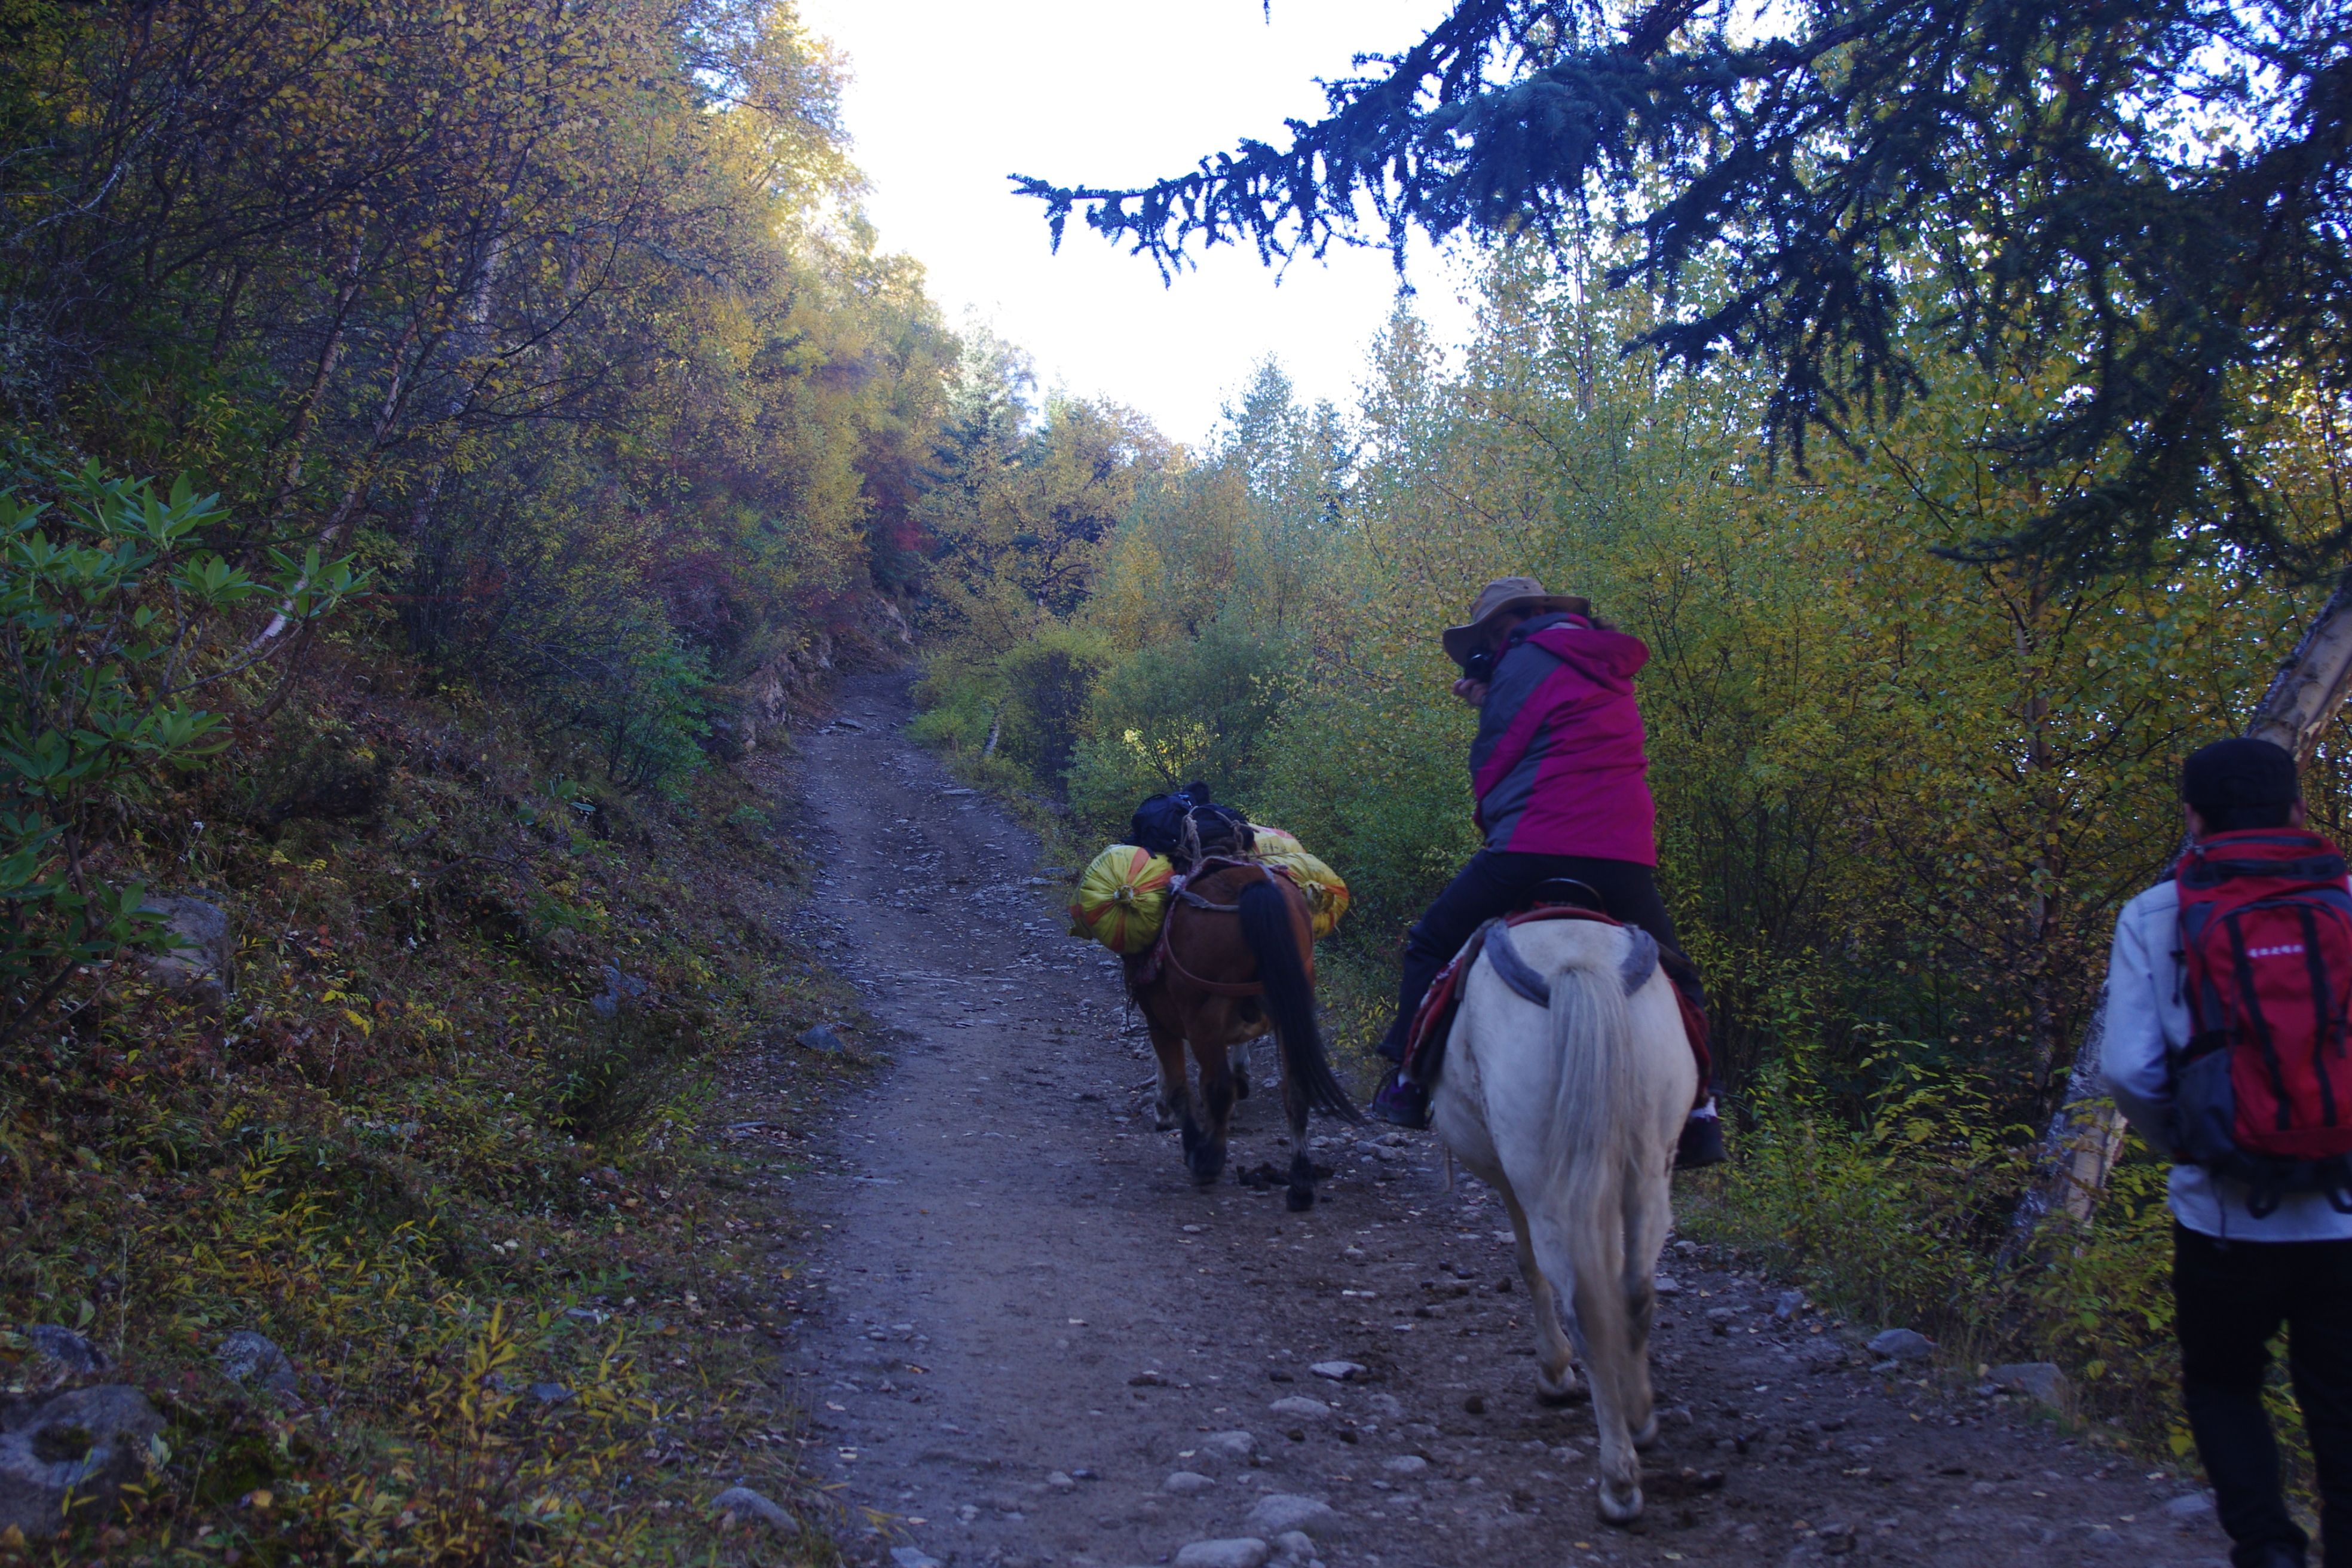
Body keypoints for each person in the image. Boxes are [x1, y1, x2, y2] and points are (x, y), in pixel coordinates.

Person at [1368, 575, 1726, 1168]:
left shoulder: (1522, 659)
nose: (1495, 644)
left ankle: (1406, 1080)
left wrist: (1488, 702)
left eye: (1498, 631)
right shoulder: (1609, 664)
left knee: (1430, 941)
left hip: (1534, 843)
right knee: (1680, 974)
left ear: (1528, 618)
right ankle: (1701, 1112)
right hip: (1624, 855)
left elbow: (1495, 762)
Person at [2103, 737, 2352, 1568]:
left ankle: (2269, 1549)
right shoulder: (2348, 900)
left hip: (2221, 1213)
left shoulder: (2157, 913)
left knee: (2222, 1381)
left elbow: (2131, 1069)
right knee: (2342, 1400)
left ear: (2193, 817)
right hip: (2347, 1218)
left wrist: (2195, 1146)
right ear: (2298, 810)